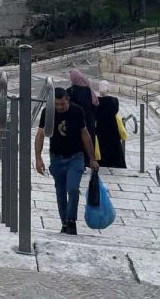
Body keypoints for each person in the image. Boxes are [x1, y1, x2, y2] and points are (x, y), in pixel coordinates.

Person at [35, 86, 100, 235]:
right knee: (60, 191)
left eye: (62, 104)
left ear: (67, 100)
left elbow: (85, 134)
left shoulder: (77, 111)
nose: (59, 107)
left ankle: (71, 221)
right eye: (56, 104)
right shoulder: (48, 112)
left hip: (75, 157)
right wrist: (38, 158)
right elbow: (40, 135)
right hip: (56, 157)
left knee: (73, 189)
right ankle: (64, 222)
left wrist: (92, 158)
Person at [95, 80, 127, 169]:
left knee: (101, 145)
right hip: (112, 127)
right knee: (114, 145)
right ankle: (116, 163)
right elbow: (116, 111)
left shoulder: (96, 101)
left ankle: (102, 162)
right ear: (108, 89)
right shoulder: (114, 100)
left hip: (100, 127)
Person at [68, 68, 98, 139]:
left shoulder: (70, 91)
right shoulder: (89, 90)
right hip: (89, 123)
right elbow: (95, 106)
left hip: (76, 124)